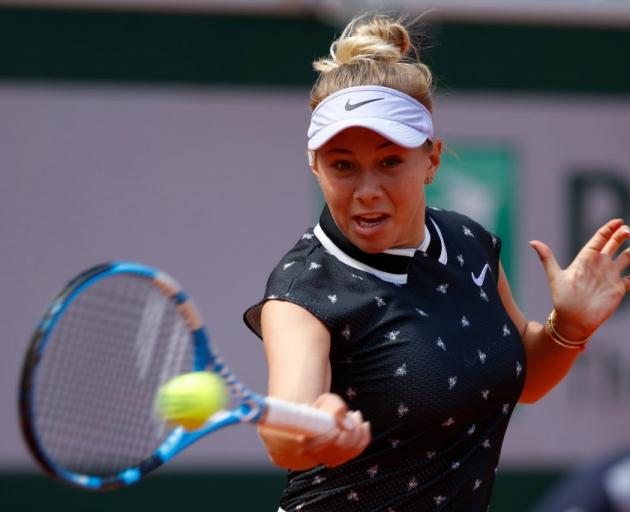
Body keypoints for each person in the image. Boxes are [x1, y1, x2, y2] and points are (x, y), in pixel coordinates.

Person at [243, 13, 630, 511]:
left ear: (432, 160)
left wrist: (570, 326)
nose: (366, 191)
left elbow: (525, 379)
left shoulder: (468, 241)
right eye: (342, 165)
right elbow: (284, 428)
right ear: (315, 166)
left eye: (389, 162)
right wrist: (311, 431)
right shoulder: (303, 291)